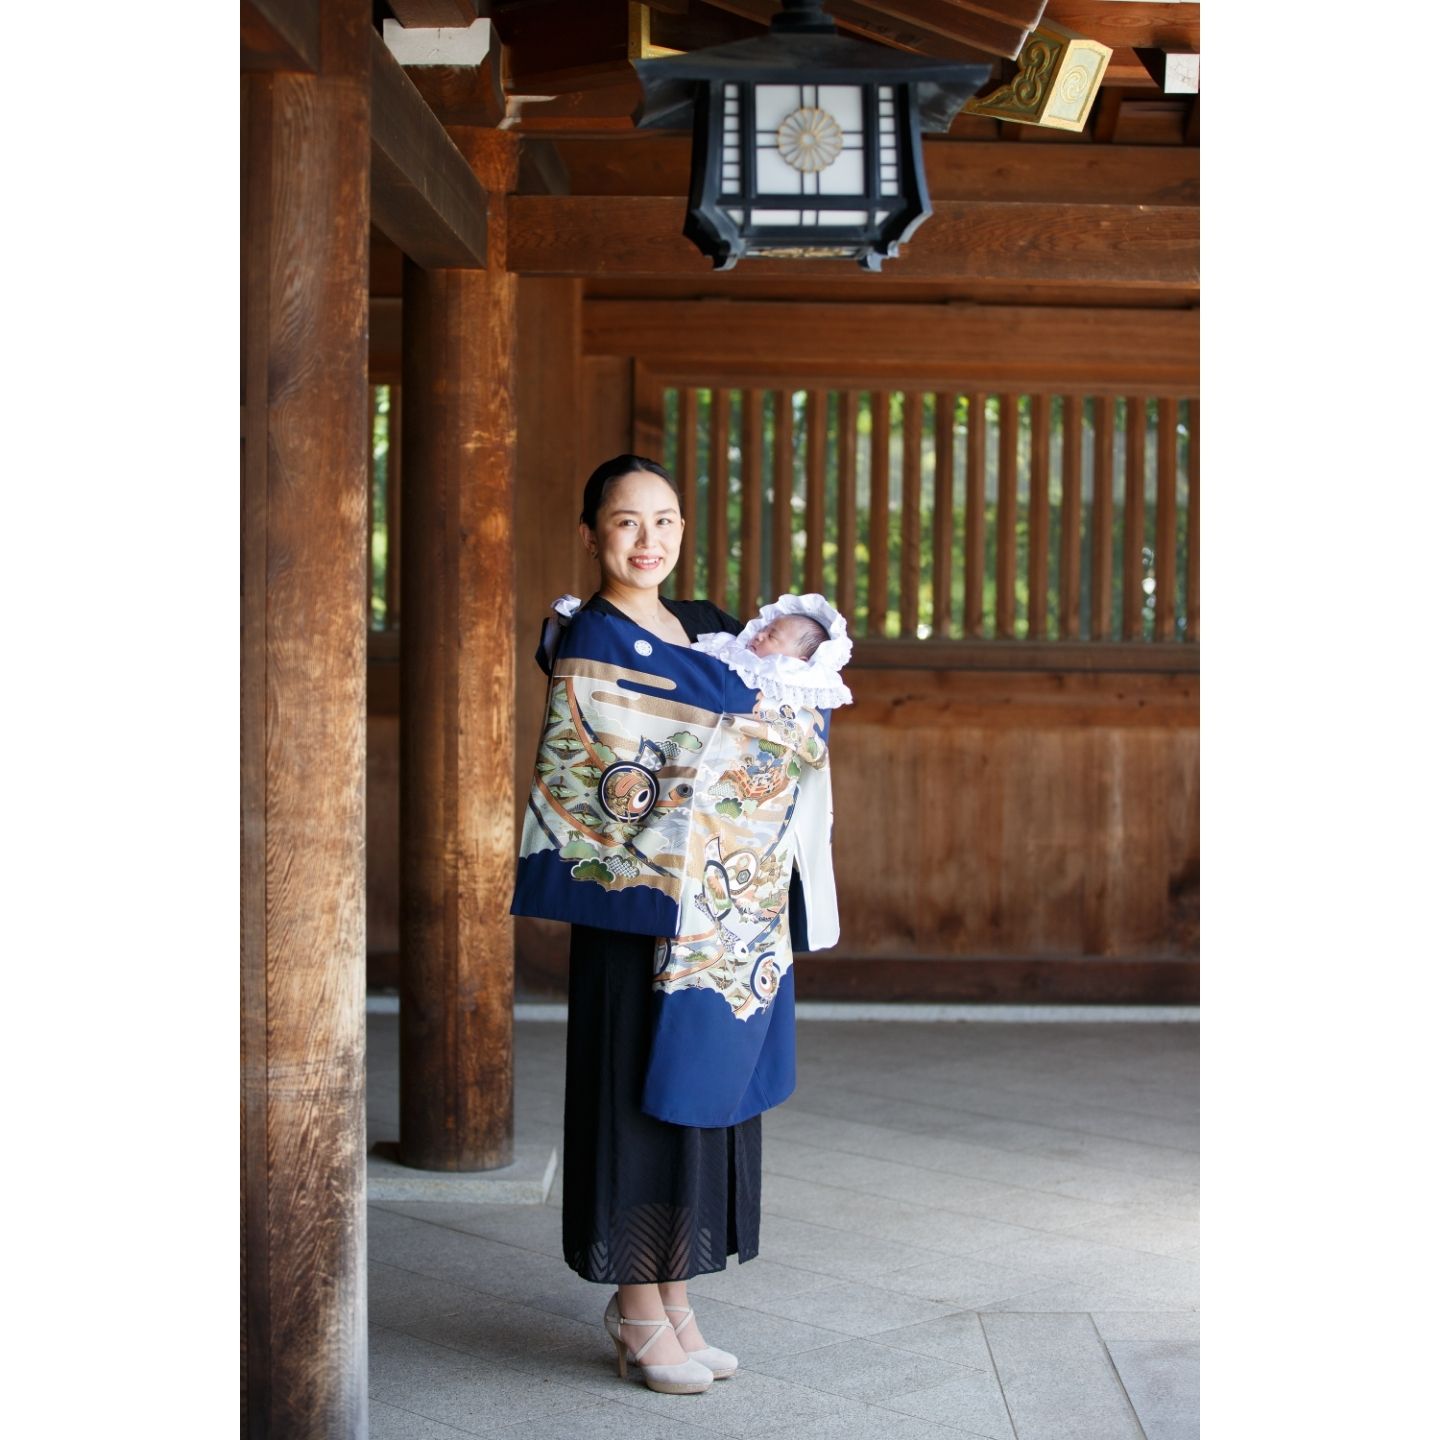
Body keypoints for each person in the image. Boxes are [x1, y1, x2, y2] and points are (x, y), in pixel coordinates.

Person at [550, 454, 754, 1396]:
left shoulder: (711, 629)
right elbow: (603, 774)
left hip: (713, 908)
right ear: (592, 531)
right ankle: (635, 1307)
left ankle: (676, 1299)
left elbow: (771, 720)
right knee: (636, 1090)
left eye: (665, 521)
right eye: (626, 522)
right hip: (633, 904)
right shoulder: (583, 635)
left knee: (696, 1093)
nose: (648, 542)